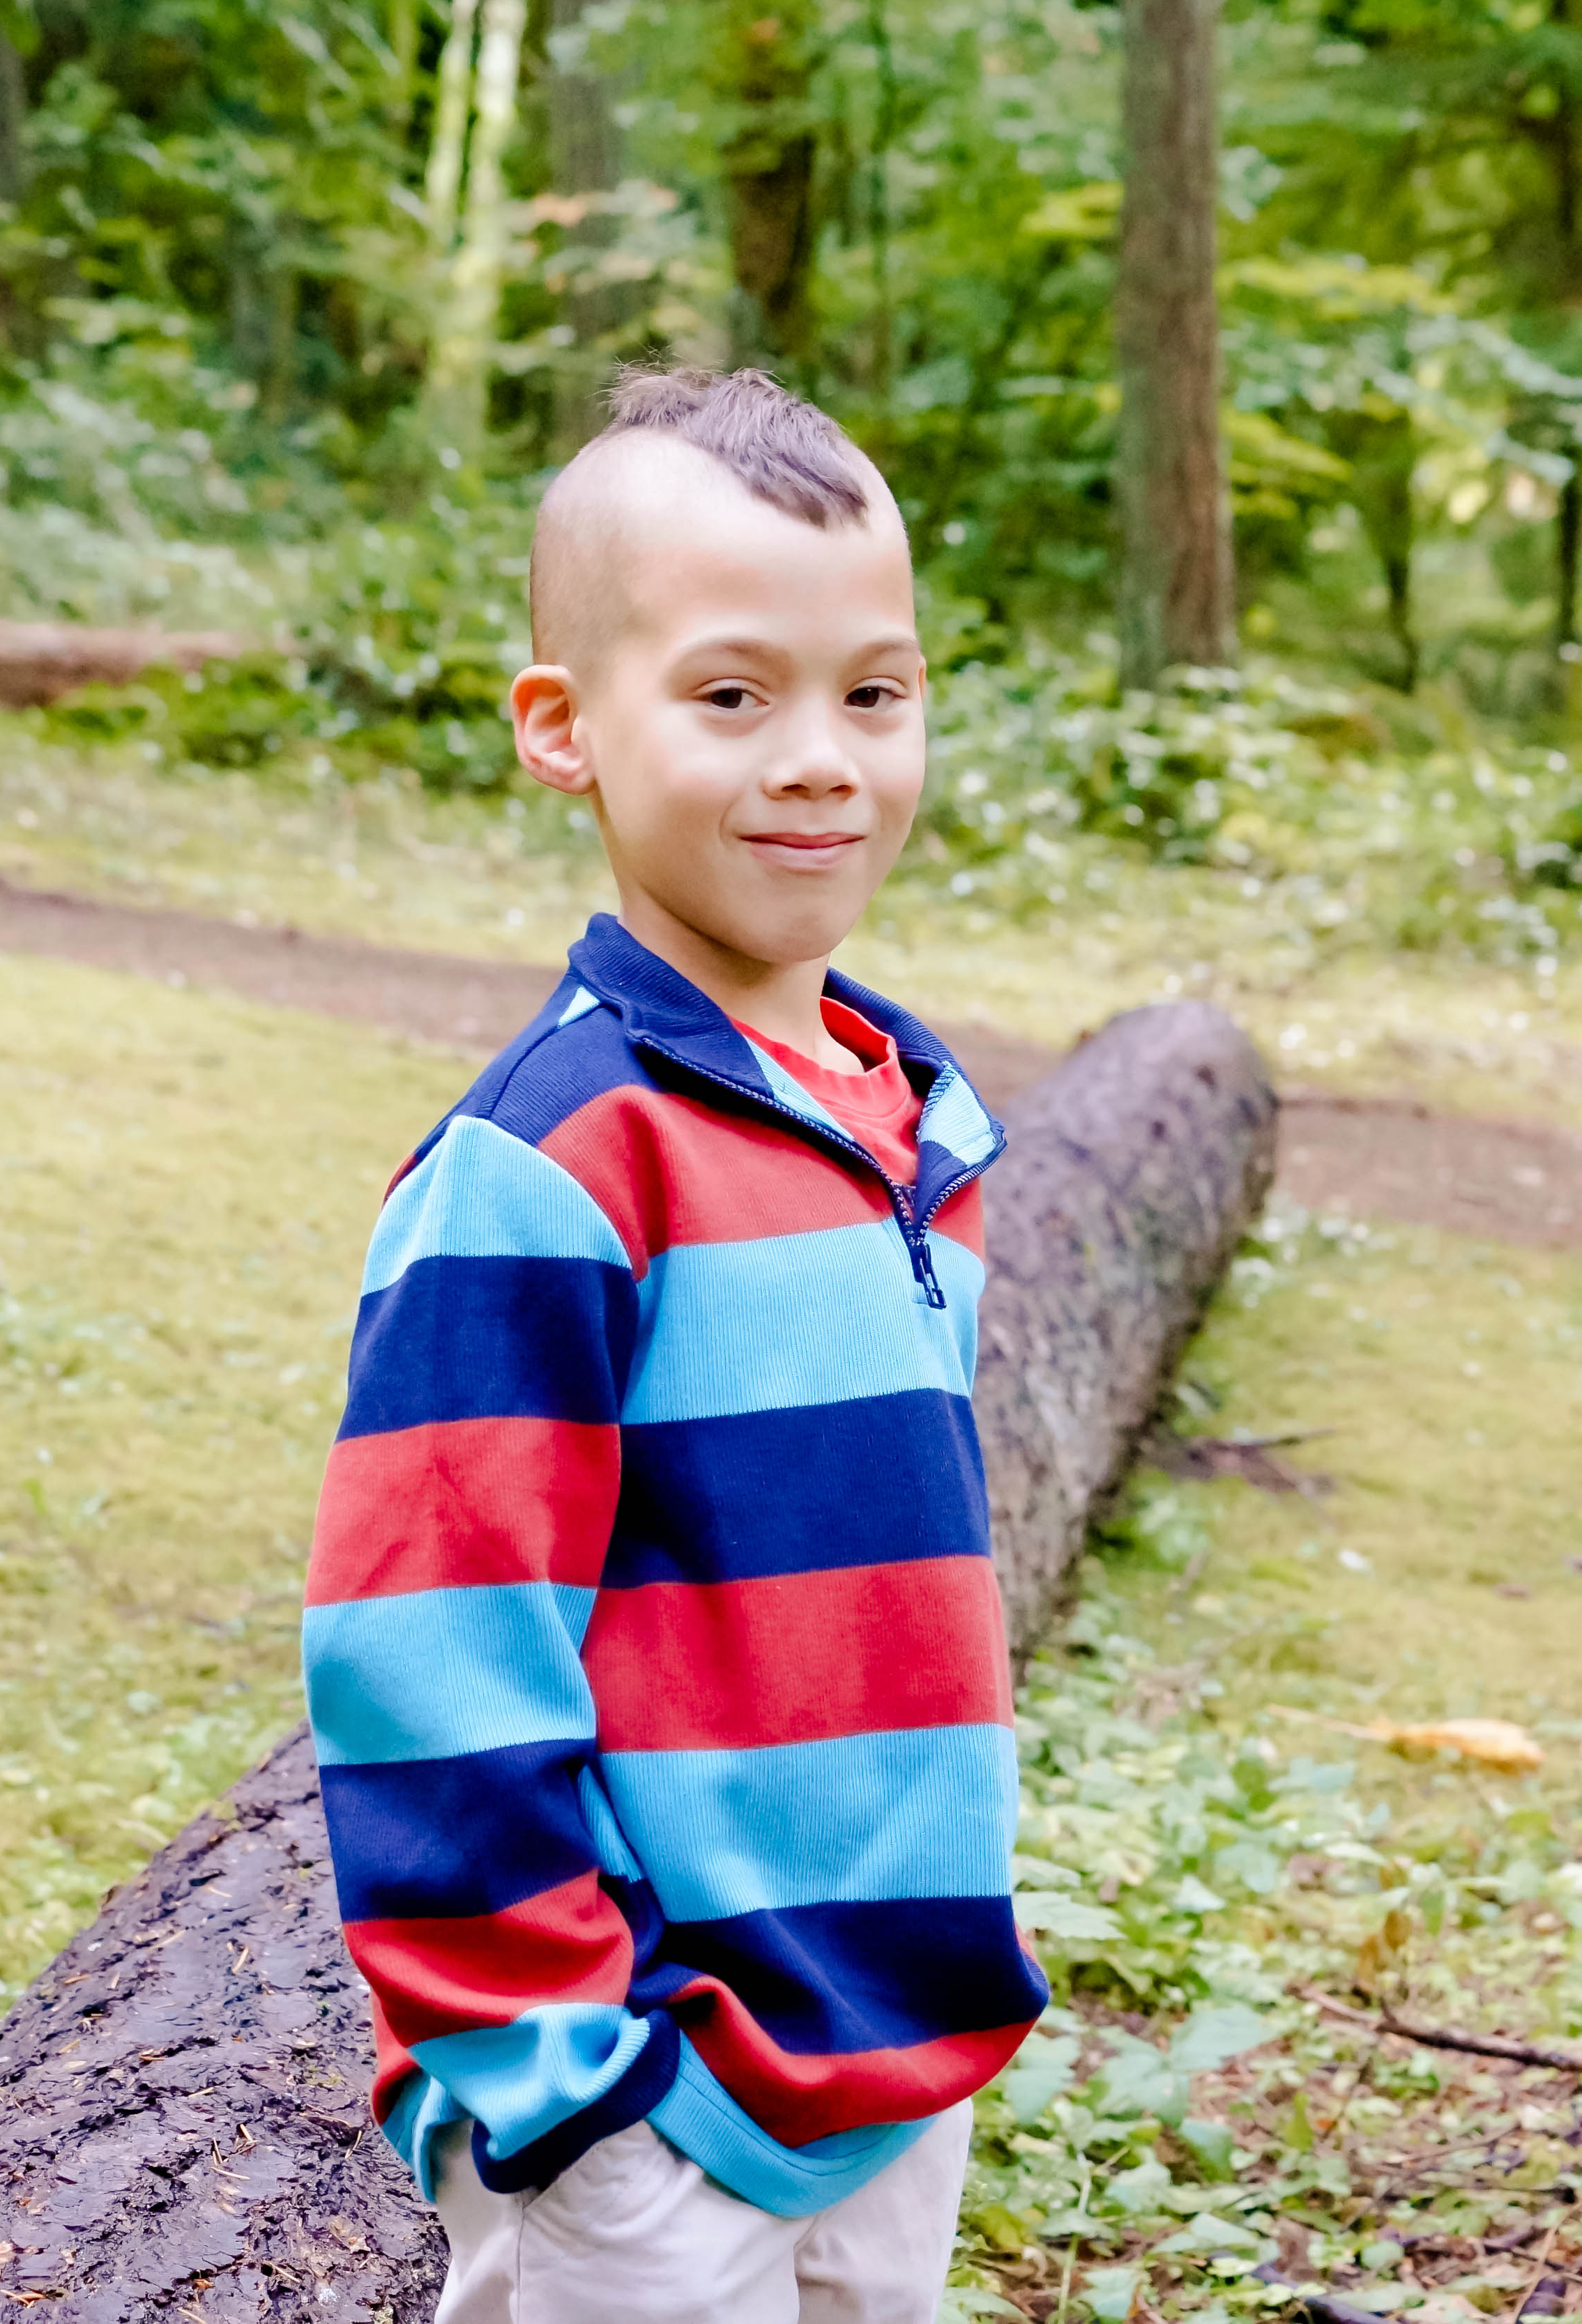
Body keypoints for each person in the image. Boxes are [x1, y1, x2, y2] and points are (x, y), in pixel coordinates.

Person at [301, 367, 1049, 2323]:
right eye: (732, 696)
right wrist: (568, 2085)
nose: (820, 761)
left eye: (873, 694)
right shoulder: (552, 1168)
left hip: (896, 2051)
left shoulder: (915, 1132)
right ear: (564, 728)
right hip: (646, 2102)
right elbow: (425, 1652)